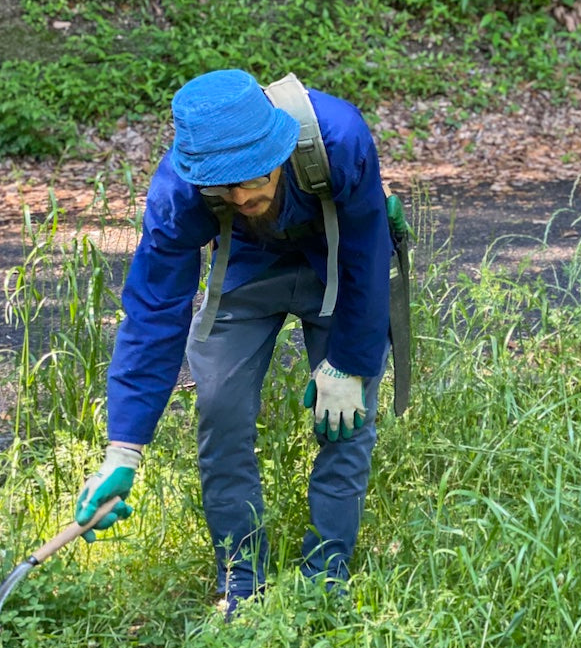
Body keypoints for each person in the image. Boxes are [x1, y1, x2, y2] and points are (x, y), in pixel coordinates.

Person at [73, 69, 392, 614]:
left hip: (335, 264)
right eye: (223, 186)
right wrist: (122, 450)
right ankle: (242, 582)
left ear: (278, 146)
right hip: (245, 269)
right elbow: (153, 311)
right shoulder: (180, 188)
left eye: (250, 178)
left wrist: (351, 363)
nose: (241, 197)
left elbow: (367, 250)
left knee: (345, 418)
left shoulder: (338, 137)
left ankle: (326, 577)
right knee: (219, 411)